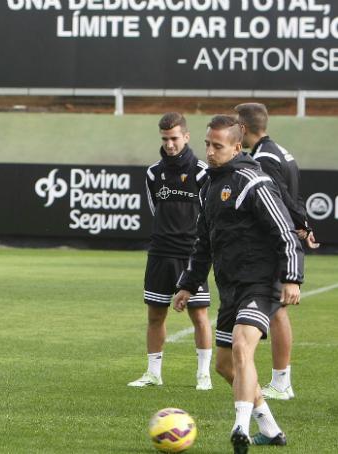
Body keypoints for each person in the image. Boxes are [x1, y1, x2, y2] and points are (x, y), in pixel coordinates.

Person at [174, 115, 304, 453]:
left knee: (243, 348)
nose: (210, 151)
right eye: (207, 144)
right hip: (230, 286)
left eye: (218, 146)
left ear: (236, 145)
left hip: (261, 282)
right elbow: (203, 242)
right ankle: (270, 428)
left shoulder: (252, 181)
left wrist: (292, 278)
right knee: (225, 365)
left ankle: (240, 428)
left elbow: (284, 230)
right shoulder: (210, 186)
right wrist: (188, 283)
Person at [235, 102, 319, 400]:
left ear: (243, 128)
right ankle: (280, 380)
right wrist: (304, 225)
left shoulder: (265, 159)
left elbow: (280, 198)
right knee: (276, 310)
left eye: (236, 125)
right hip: (282, 241)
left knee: (277, 311)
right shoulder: (280, 151)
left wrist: (298, 227)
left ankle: (281, 382)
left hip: (274, 245)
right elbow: (293, 195)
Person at [128, 112, 213, 391]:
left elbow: (208, 215)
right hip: (160, 253)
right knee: (155, 316)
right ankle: (153, 373)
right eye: (165, 139)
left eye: (175, 138)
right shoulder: (154, 173)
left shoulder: (203, 172)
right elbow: (156, 210)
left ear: (186, 137)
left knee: (199, 316)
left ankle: (203, 375)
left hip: (191, 254)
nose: (170, 144)